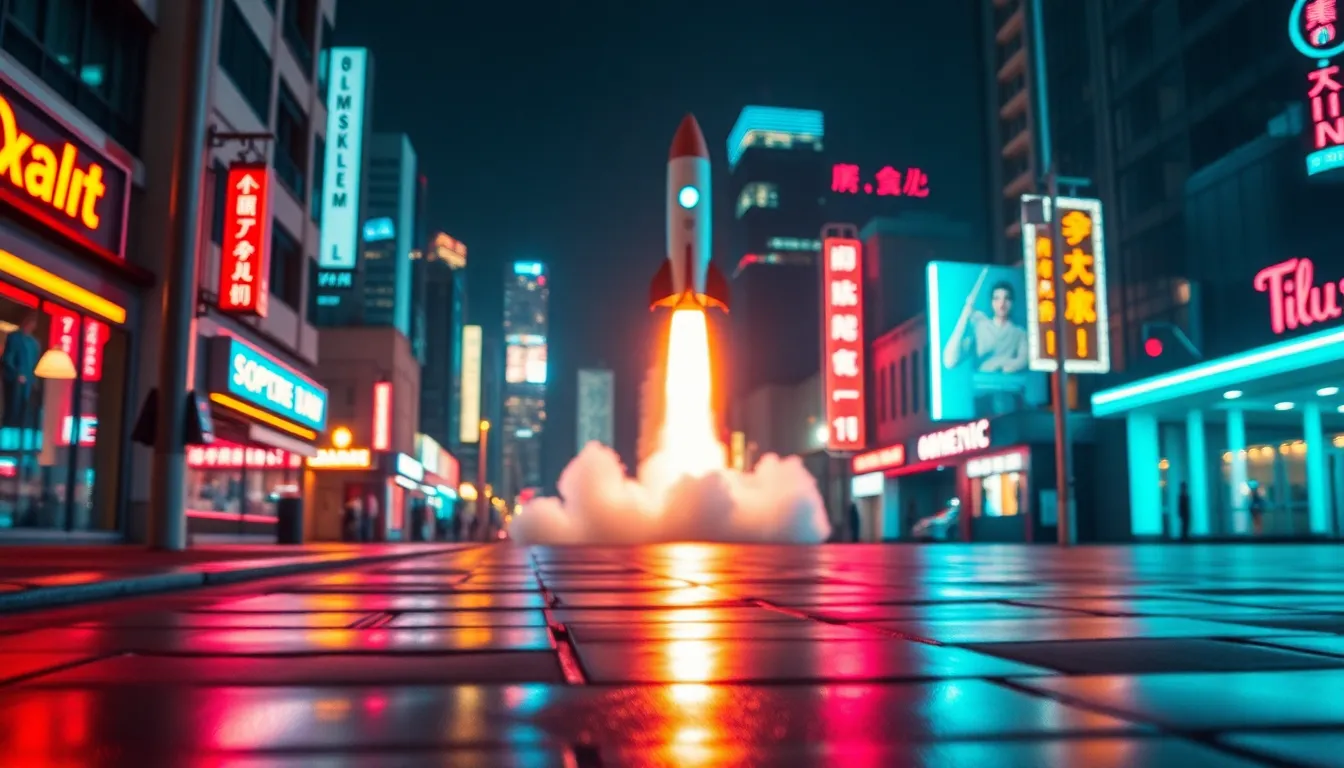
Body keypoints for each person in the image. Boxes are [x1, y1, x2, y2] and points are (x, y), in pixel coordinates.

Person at [943, 271, 1029, 375]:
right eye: (996, 298)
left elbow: (1024, 360)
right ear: (991, 302)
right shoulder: (980, 327)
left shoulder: (1020, 333)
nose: (1002, 303)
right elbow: (950, 361)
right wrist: (964, 317)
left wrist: (1001, 366)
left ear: (1012, 302)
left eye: (1007, 298)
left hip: (1010, 387)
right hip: (982, 388)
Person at [1, 312, 40, 429]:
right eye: (29, 321)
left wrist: (34, 380)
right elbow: (8, 358)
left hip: (29, 382)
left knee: (27, 412)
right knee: (13, 410)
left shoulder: (34, 343)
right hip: (15, 380)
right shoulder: (14, 337)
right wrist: (17, 374)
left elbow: (35, 364)